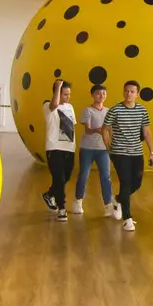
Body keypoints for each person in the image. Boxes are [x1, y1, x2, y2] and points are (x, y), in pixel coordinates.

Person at [104, 79, 153, 232]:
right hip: (119, 152)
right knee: (125, 182)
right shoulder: (115, 110)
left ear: (137, 94)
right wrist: (109, 148)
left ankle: (118, 199)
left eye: (132, 91)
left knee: (137, 183)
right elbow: (105, 129)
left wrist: (152, 152)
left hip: (136, 152)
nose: (128, 94)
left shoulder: (142, 110)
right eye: (126, 91)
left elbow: (146, 131)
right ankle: (127, 219)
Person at [75, 83, 116, 217]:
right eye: (98, 93)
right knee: (84, 175)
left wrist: (112, 141)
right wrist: (99, 130)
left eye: (104, 93)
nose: (101, 96)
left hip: (103, 149)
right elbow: (87, 130)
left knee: (106, 177)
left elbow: (110, 130)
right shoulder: (87, 111)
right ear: (93, 95)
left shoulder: (109, 111)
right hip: (87, 148)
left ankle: (108, 205)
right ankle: (78, 201)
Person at [41, 79, 77, 220]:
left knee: (66, 177)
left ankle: (50, 194)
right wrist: (58, 86)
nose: (67, 97)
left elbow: (72, 127)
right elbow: (54, 104)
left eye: (69, 94)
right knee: (59, 178)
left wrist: (74, 145)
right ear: (57, 93)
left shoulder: (70, 107)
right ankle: (62, 208)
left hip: (69, 148)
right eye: (65, 94)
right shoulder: (47, 106)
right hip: (54, 147)